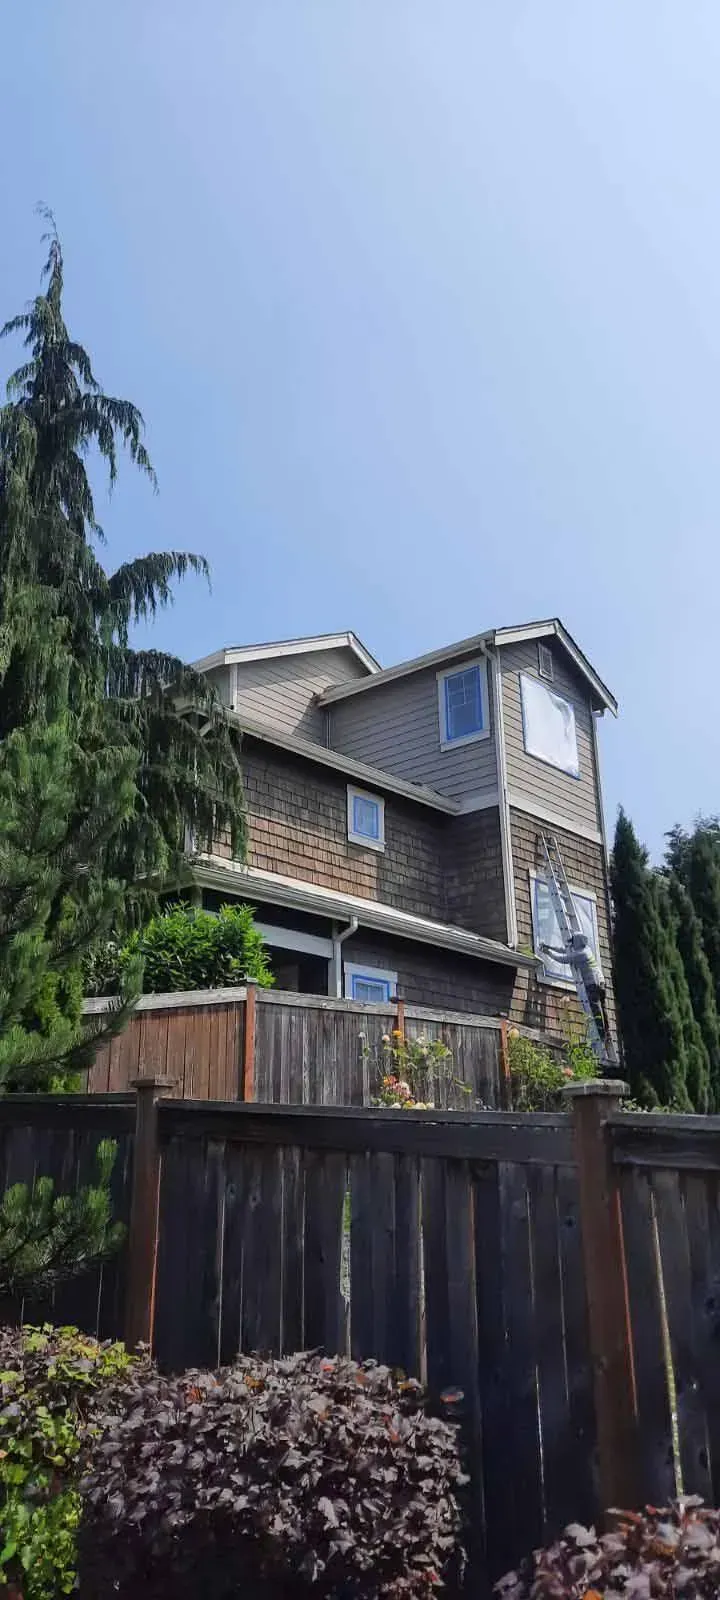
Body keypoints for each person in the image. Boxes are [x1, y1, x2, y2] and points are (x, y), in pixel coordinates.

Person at [542, 930, 616, 1062]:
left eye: (573, 942)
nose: (571, 944)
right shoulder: (586, 949)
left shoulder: (581, 954)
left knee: (595, 1012)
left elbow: (564, 958)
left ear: (576, 942)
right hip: (601, 982)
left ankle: (602, 1035)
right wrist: (549, 946)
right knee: (602, 1009)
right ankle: (607, 1032)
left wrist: (548, 953)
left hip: (593, 984)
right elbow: (565, 950)